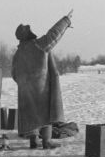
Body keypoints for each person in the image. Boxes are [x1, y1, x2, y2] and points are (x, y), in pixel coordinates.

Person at [11, 10, 73, 149]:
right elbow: (53, 35)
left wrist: (24, 83)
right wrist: (66, 21)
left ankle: (33, 141)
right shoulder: (38, 45)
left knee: (31, 114)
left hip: (25, 90)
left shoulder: (18, 53)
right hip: (41, 88)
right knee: (45, 114)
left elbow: (14, 73)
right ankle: (47, 141)